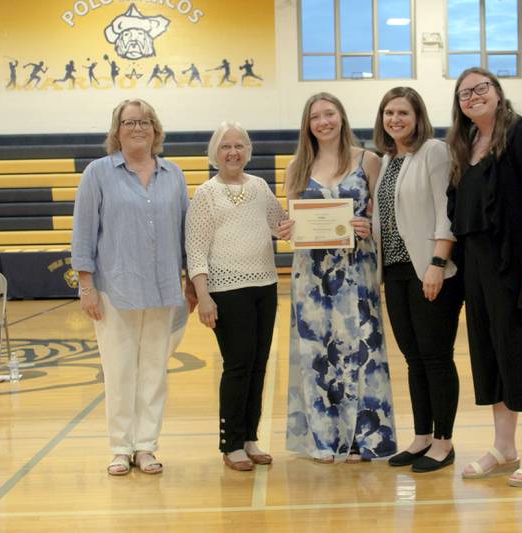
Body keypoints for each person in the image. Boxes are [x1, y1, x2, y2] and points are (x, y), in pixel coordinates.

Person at [446, 67, 522, 487]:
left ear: (497, 93)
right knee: (490, 354)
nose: (473, 97)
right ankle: (505, 446)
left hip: (517, 265)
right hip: (478, 267)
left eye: (481, 89)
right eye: (464, 94)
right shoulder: (465, 145)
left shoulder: (521, 134)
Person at [71, 98, 195, 476]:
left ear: (155, 129)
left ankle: (146, 446)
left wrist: (191, 282)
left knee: (155, 372)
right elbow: (83, 232)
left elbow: (185, 231)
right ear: (117, 130)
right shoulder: (98, 173)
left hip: (164, 290)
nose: (137, 128)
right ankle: (121, 447)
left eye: (144, 122)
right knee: (120, 370)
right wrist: (86, 286)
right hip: (115, 289)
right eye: (129, 122)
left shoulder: (173, 174)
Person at [285, 92, 397, 463]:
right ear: (308, 124)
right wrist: (288, 228)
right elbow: (292, 222)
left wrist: (370, 227)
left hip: (357, 269)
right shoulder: (296, 167)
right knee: (318, 353)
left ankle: (363, 438)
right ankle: (325, 438)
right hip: (310, 277)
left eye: (329, 113)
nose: (323, 121)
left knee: (360, 349)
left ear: (341, 116)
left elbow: (386, 218)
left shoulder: (369, 160)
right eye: (315, 116)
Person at [186, 122, 293, 471]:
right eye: (225, 146)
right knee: (237, 366)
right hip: (226, 291)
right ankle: (230, 442)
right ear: (215, 153)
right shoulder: (206, 193)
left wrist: (315, 219)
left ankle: (250, 438)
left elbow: (282, 225)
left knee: (259, 366)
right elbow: (196, 250)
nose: (233, 152)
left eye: (240, 146)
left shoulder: (261, 187)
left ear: (248, 151)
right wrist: (203, 296)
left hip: (265, 286)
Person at [370, 87, 463, 473]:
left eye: (402, 113)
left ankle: (444, 442)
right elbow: (390, 216)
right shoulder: (389, 159)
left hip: (429, 268)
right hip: (395, 270)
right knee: (413, 358)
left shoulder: (434, 151)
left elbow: (447, 211)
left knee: (436, 357)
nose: (395, 119)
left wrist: (438, 262)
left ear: (417, 116)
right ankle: (422, 436)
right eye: (389, 113)